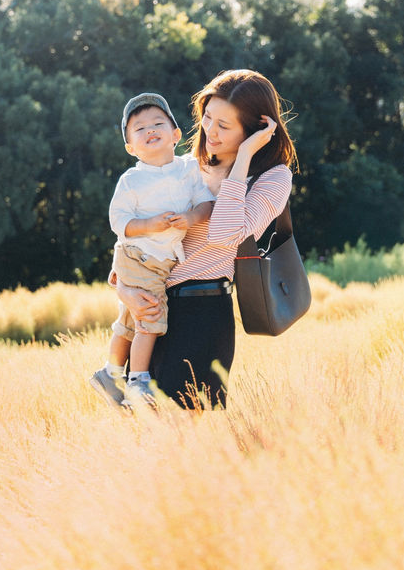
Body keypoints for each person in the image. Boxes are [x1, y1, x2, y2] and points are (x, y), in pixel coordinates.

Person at [112, 69, 298, 410]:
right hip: (152, 314)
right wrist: (125, 291)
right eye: (208, 118)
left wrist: (241, 160)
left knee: (184, 430)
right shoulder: (184, 169)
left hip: (202, 312)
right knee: (143, 436)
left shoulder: (272, 178)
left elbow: (225, 234)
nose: (210, 131)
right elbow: (131, 244)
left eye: (224, 126)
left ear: (255, 129)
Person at [90, 92, 215, 407]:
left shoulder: (188, 169)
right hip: (138, 256)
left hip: (160, 261)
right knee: (151, 315)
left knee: (132, 318)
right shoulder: (132, 180)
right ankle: (138, 381)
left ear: (175, 134)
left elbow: (206, 204)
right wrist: (148, 225)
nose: (150, 130)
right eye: (139, 128)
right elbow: (119, 221)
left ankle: (111, 372)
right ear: (131, 147)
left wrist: (188, 218)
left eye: (157, 123)